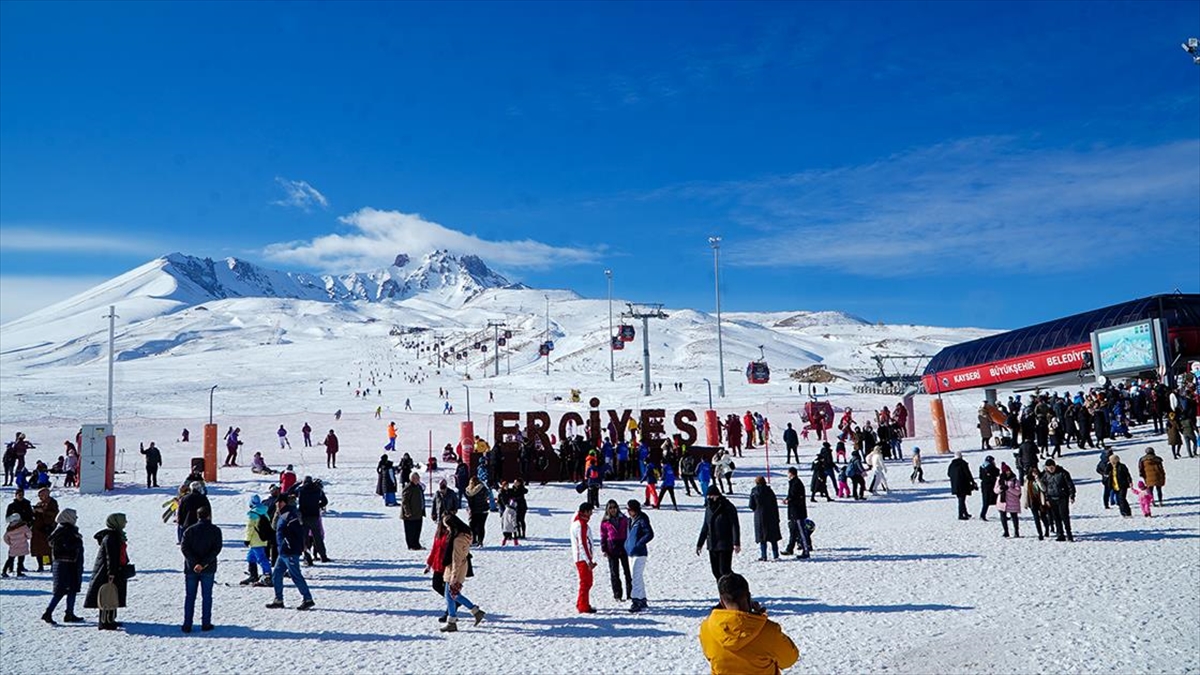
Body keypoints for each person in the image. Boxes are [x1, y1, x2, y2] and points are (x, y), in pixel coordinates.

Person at [699, 572, 799, 675]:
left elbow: (710, 657)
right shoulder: (768, 630)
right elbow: (790, 659)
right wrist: (759, 619)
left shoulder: (707, 628)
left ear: (722, 601)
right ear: (749, 597)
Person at [438, 511, 486, 631]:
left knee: (452, 595)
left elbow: (456, 559)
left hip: (456, 569)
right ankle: (456, 619)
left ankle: (473, 612)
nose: (447, 529)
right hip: (457, 567)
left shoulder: (457, 540)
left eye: (448, 527)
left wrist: (454, 576)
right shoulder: (464, 534)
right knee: (450, 595)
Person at [82, 513, 130, 630]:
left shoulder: (115, 535)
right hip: (107, 571)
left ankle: (110, 619)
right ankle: (105, 622)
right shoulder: (111, 537)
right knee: (107, 595)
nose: (125, 522)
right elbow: (111, 557)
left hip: (112, 570)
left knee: (112, 594)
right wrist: (111, 573)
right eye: (123, 520)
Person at [266, 497, 315, 610]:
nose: (277, 504)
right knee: (277, 575)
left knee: (295, 575)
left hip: (290, 551)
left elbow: (297, 532)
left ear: (283, 502)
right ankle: (278, 600)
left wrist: (290, 544)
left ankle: (308, 599)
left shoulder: (290, 515)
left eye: (279, 502)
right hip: (283, 552)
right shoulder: (282, 514)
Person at [180, 506, 222, 633]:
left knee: (190, 597)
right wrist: (203, 564)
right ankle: (206, 623)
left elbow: (184, 548)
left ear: (198, 516)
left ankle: (187, 624)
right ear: (208, 515)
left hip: (191, 568)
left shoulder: (189, 530)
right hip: (208, 568)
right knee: (207, 596)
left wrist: (195, 563)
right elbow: (216, 549)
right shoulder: (215, 530)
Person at [42, 508, 85, 624]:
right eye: (74, 516)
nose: (76, 519)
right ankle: (48, 612)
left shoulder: (62, 530)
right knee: (61, 591)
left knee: (72, 589)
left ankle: (69, 613)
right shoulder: (65, 530)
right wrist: (77, 543)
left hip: (67, 564)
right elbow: (65, 546)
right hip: (65, 565)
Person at [696, 486, 741, 580]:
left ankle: (733, 590)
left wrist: (736, 542)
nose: (709, 498)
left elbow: (734, 525)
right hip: (712, 544)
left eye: (711, 496)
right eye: (708, 496)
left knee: (724, 570)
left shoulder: (728, 507)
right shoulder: (708, 508)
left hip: (725, 543)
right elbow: (705, 527)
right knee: (716, 571)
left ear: (717, 495)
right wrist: (700, 544)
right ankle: (722, 592)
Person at [625, 499, 654, 613]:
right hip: (630, 552)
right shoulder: (630, 520)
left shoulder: (642, 519)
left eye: (629, 510)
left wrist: (639, 543)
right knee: (637, 576)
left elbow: (650, 533)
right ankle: (642, 598)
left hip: (640, 553)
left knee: (635, 577)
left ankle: (636, 600)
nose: (628, 512)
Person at [600, 500, 632, 602]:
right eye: (610, 508)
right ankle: (617, 595)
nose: (613, 510)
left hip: (624, 547)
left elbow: (630, 532)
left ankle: (630, 594)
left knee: (627, 572)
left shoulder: (624, 519)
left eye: (614, 507)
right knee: (614, 573)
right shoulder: (605, 522)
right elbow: (603, 536)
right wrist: (604, 549)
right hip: (612, 549)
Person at [569, 502, 598, 613]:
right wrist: (589, 560)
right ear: (585, 512)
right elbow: (583, 544)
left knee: (587, 582)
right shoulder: (581, 525)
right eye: (590, 511)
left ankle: (581, 602)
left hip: (581, 557)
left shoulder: (577, 521)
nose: (591, 514)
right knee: (586, 582)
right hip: (582, 558)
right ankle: (583, 606)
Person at [295, 477, 330, 563]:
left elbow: (289, 492)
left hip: (304, 516)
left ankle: (307, 558)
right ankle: (323, 556)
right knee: (317, 537)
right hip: (314, 516)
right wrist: (318, 505)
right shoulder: (318, 490)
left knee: (305, 538)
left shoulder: (301, 490)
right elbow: (325, 501)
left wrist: (297, 484)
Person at [748, 477, 782, 561]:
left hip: (759, 516)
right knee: (773, 538)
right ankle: (776, 555)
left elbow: (751, 505)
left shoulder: (754, 491)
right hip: (771, 516)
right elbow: (775, 504)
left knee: (762, 538)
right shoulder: (770, 491)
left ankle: (764, 556)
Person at [1042, 459, 1075, 541]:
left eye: (1052, 467)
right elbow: (1044, 488)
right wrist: (1046, 499)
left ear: (1055, 466)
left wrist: (1072, 495)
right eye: (1049, 467)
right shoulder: (1045, 475)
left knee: (1064, 516)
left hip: (1062, 497)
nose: (1051, 469)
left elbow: (1070, 485)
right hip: (1051, 498)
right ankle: (1060, 534)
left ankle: (1069, 533)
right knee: (1056, 517)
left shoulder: (1063, 473)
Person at [243, 495, 273, 586]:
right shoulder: (264, 512)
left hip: (255, 541)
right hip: (262, 539)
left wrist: (247, 539)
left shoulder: (253, 514)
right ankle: (253, 575)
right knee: (251, 557)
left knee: (261, 558)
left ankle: (267, 576)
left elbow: (250, 528)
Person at [782, 467, 810, 558]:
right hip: (793, 512)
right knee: (792, 531)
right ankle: (790, 548)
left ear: (791, 473)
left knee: (801, 532)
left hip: (798, 512)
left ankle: (806, 550)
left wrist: (788, 500)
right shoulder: (793, 483)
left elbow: (796, 497)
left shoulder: (796, 483)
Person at [30, 488, 59, 572]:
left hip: (48, 529)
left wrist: (43, 511)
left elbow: (55, 514)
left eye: (41, 495)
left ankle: (51, 565)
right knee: (39, 549)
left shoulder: (52, 503)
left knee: (48, 548)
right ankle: (40, 565)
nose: (40, 497)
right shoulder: (39, 503)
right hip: (37, 530)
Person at [995, 463, 1022, 538]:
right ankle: (1006, 531)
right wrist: (1000, 489)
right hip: (1002, 501)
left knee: (1014, 517)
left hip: (1013, 501)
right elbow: (995, 490)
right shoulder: (999, 479)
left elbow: (1018, 492)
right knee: (1003, 516)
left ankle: (1016, 531)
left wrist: (1009, 488)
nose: (1008, 472)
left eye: (1009, 470)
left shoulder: (1015, 480)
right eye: (1006, 471)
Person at [947, 451, 975, 520]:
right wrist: (972, 481)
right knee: (961, 500)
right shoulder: (963, 464)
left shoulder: (951, 465)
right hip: (963, 484)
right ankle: (960, 515)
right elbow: (968, 473)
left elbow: (948, 474)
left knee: (961, 499)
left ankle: (965, 513)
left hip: (955, 485)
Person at [401, 473, 426, 550]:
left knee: (417, 530)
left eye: (418, 478)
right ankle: (411, 545)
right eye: (416, 478)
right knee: (410, 531)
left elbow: (424, 488)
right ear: (412, 479)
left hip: (418, 513)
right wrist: (407, 512)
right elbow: (405, 501)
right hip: (410, 514)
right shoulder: (408, 488)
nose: (418, 480)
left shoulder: (418, 487)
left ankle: (416, 544)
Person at [465, 477, 489, 546]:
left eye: (472, 483)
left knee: (480, 526)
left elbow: (485, 497)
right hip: (474, 510)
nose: (471, 484)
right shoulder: (469, 490)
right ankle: (474, 540)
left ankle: (480, 541)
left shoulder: (482, 489)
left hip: (481, 510)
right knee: (472, 526)